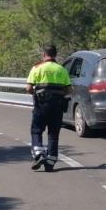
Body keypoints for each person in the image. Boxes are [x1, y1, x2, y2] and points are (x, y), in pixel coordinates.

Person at [26, 44, 72, 172]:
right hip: (57, 106)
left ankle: (39, 155)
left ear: (44, 55)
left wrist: (36, 93)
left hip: (41, 105)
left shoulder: (37, 68)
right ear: (55, 55)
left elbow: (28, 88)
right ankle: (50, 163)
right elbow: (69, 90)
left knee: (36, 130)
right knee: (53, 134)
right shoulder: (61, 69)